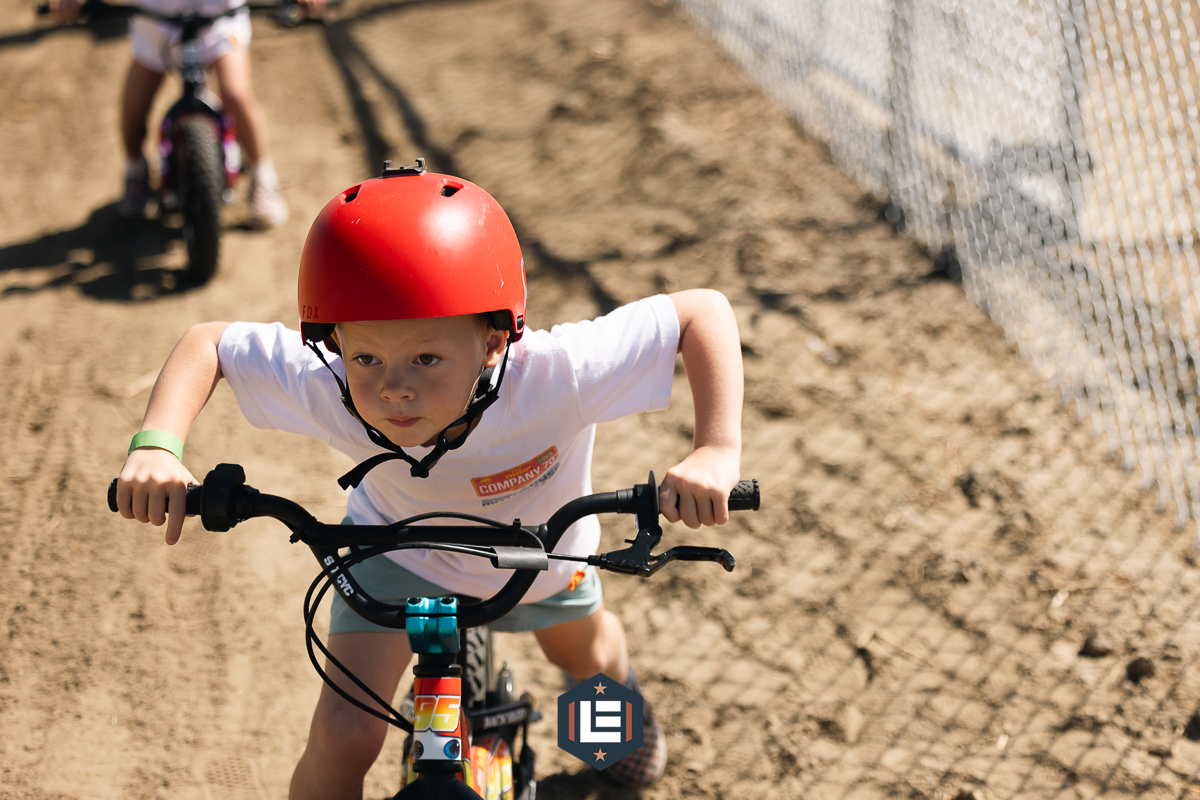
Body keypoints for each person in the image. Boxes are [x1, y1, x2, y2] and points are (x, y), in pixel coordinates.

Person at [113, 168, 744, 797]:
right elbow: (210, 345)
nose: (393, 388)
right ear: (335, 344)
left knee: (587, 664)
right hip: (397, 554)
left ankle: (612, 743)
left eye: (427, 358)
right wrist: (157, 445)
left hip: (543, 558)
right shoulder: (331, 385)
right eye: (365, 357)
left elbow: (701, 313)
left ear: (493, 342)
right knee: (343, 736)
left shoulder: (559, 376)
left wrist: (715, 449)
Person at [49, 0, 320, 227]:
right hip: (156, 23)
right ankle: (135, 169)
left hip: (219, 22)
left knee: (236, 94)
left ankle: (263, 175)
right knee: (133, 113)